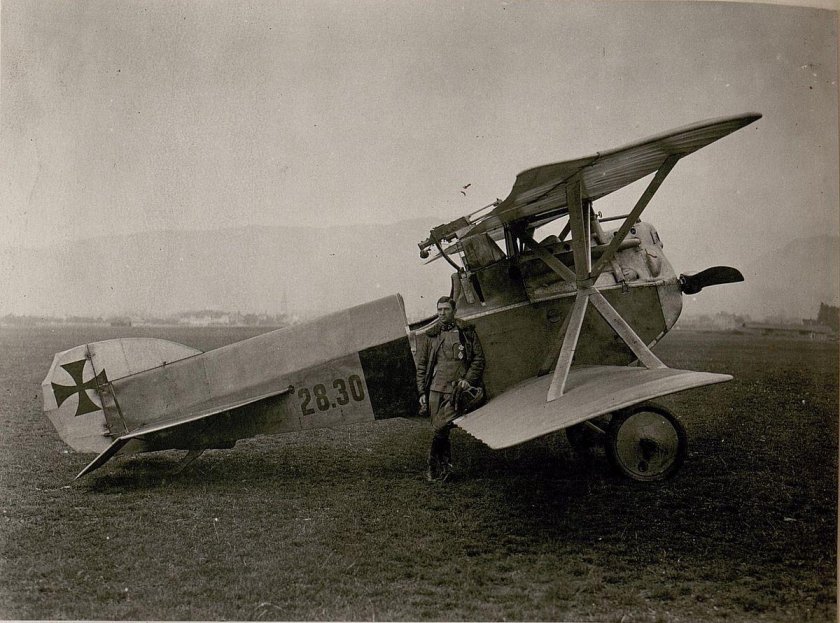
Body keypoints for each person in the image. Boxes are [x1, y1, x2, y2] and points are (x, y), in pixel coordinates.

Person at [415, 296, 485, 482]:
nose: (442, 313)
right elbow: (422, 366)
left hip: (456, 391)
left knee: (440, 427)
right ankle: (444, 470)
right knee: (441, 431)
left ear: (454, 311)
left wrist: (468, 380)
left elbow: (478, 359)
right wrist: (422, 391)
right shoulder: (431, 336)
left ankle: (433, 467)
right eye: (439, 310)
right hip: (436, 390)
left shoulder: (466, 332)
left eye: (446, 309)